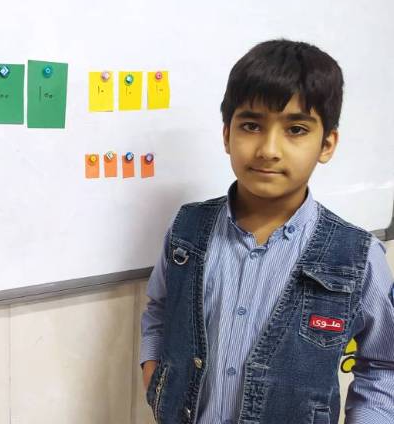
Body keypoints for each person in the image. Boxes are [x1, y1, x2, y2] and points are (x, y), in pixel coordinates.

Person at [139, 39, 394, 423]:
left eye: (296, 129)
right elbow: (160, 310)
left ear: (327, 144)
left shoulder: (357, 255)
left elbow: (384, 363)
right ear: (227, 134)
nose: (269, 149)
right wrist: (154, 377)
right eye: (251, 126)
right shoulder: (187, 230)